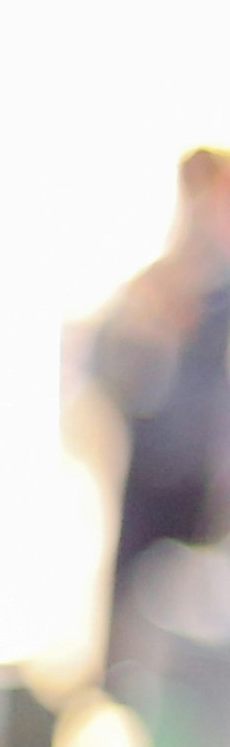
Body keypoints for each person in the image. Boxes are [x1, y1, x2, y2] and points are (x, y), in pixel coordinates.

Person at [81, 146, 230, 654]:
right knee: (139, 639)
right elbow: (107, 370)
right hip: (153, 493)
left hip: (207, 502)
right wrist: (152, 329)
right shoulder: (160, 284)